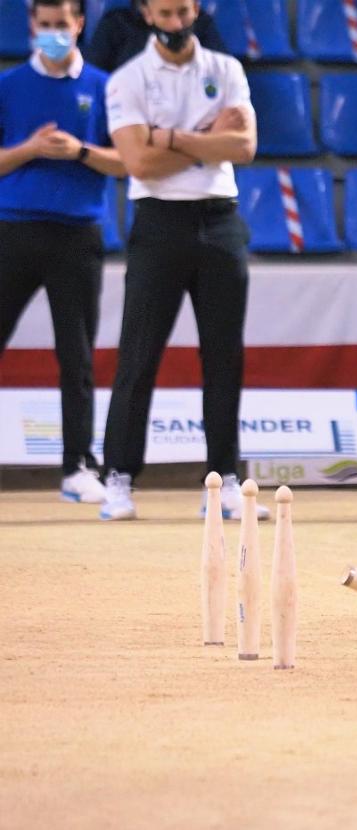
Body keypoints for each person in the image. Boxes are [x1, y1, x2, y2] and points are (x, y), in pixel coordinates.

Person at [98, 0, 264, 522]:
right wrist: (207, 139)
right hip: (158, 222)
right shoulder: (127, 78)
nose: (176, 23)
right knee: (139, 355)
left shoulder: (226, 69)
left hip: (219, 221)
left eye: (183, 12)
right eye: (165, 14)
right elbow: (137, 161)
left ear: (196, 11)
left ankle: (224, 480)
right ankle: (119, 478)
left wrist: (169, 136)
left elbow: (245, 146)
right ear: (147, 14)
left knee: (223, 359)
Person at [0, 0, 128, 504]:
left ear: (80, 24)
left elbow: (125, 162)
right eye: (45, 25)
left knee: (76, 357)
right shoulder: (8, 86)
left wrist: (79, 150)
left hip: (78, 236)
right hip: (13, 231)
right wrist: (29, 149)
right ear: (32, 26)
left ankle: (78, 466)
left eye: (63, 25)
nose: (54, 33)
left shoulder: (104, 86)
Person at [84, 0, 227, 73]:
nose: (176, 25)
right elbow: (95, 84)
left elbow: (221, 76)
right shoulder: (116, 24)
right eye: (165, 14)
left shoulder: (200, 22)